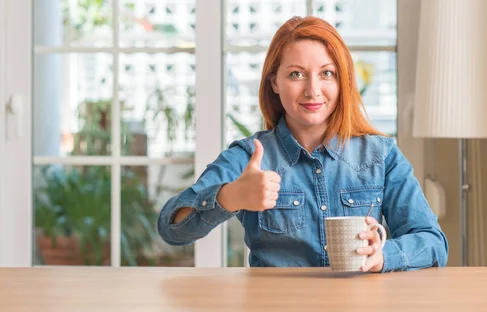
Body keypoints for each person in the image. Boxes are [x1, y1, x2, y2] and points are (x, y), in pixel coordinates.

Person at [157, 16, 448, 272]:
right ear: (274, 82)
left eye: (327, 74)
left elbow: (432, 242)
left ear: (342, 81)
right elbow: (171, 227)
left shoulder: (381, 155)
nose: (312, 90)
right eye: (296, 74)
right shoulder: (249, 157)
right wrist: (230, 196)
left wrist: (383, 255)